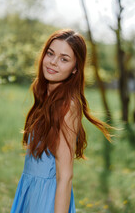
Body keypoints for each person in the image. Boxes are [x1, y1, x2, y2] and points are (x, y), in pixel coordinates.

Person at [10, 29, 114, 213]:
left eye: (64, 59)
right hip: (30, 190)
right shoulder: (44, 94)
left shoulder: (68, 106)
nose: (53, 62)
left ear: (75, 68)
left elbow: (65, 177)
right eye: (50, 53)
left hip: (47, 199)